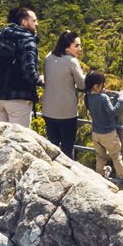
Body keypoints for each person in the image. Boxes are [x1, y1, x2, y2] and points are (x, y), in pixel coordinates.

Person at [0, 6, 41, 127]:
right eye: (34, 21)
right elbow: (29, 71)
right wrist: (40, 80)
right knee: (19, 142)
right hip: (18, 100)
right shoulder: (28, 40)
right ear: (24, 23)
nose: (37, 24)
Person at [84, 71, 123, 186]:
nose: (105, 87)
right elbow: (113, 111)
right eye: (103, 85)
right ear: (96, 86)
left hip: (96, 133)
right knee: (116, 156)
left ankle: (100, 173)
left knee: (100, 155)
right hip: (108, 133)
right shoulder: (103, 97)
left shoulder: (87, 96)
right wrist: (121, 98)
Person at [42, 30, 86, 158]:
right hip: (67, 113)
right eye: (76, 46)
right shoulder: (71, 61)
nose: (80, 49)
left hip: (48, 110)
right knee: (67, 151)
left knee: (52, 149)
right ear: (67, 47)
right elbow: (82, 84)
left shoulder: (48, 57)